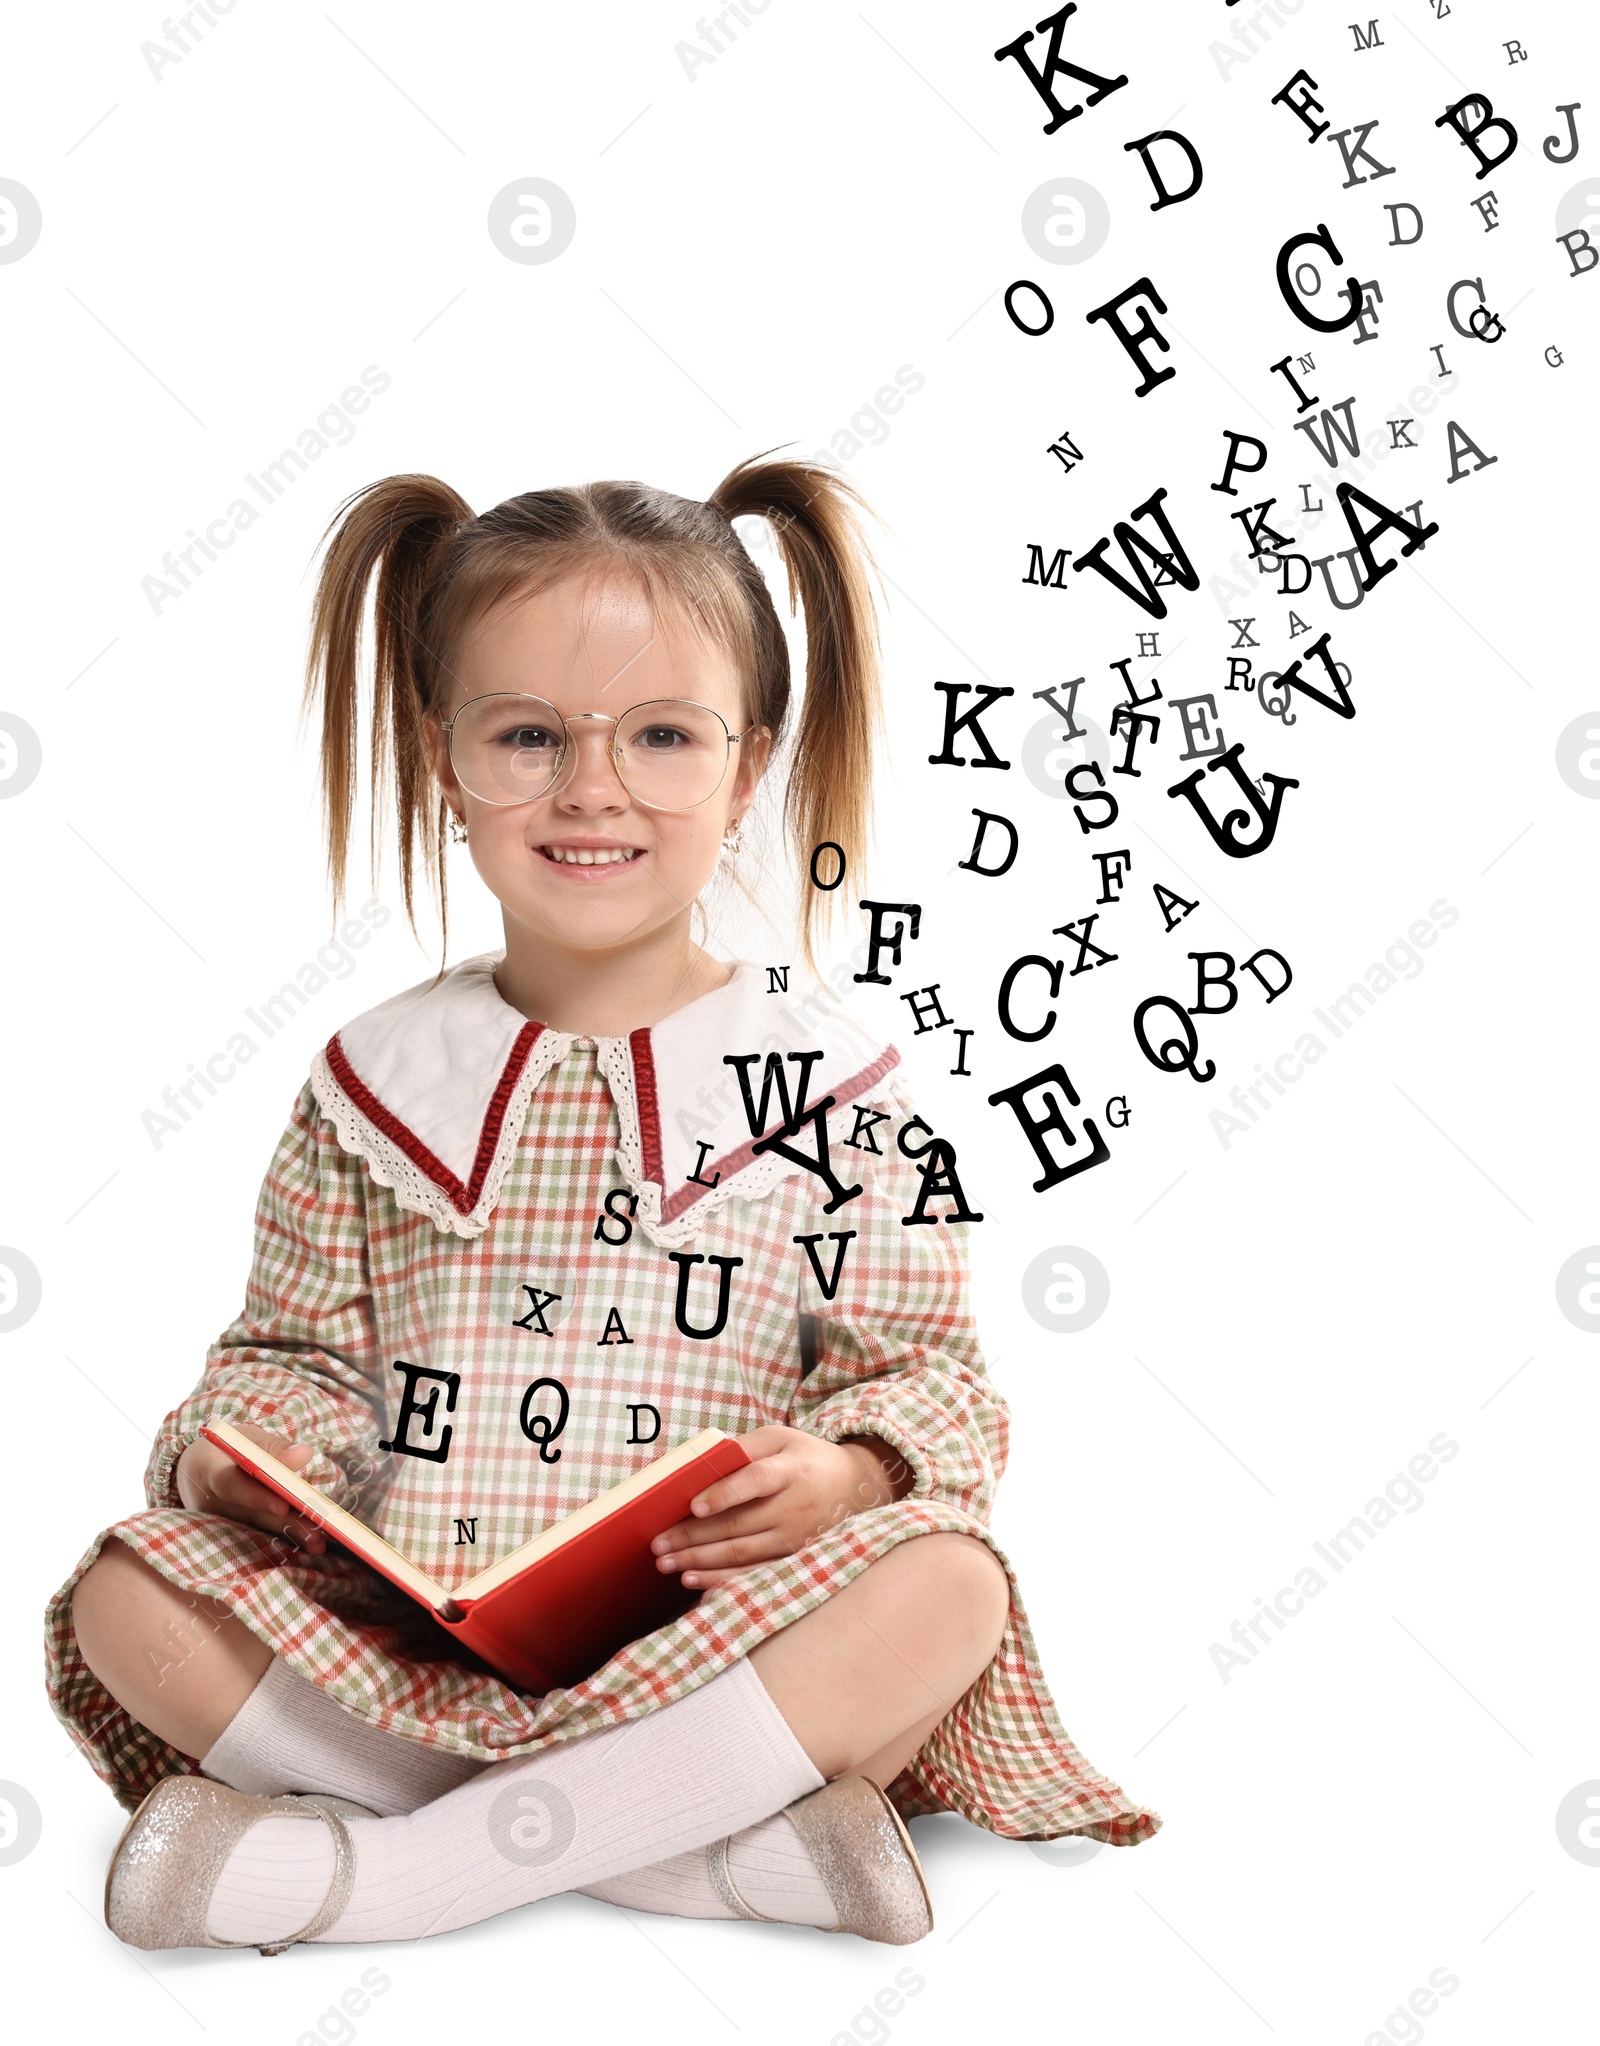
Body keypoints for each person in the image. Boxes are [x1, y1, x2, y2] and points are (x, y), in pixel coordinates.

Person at [47, 455, 1158, 1954]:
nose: (591, 787)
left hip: (730, 1646)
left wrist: (840, 1480)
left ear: (747, 767)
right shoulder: (370, 1084)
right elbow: (286, 1354)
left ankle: (386, 1876)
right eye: (526, 736)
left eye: (659, 736)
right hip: (418, 1644)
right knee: (130, 1592)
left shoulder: (839, 1088)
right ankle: (695, 1853)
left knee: (947, 1584)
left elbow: (934, 1382)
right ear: (444, 759)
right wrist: (249, 1461)